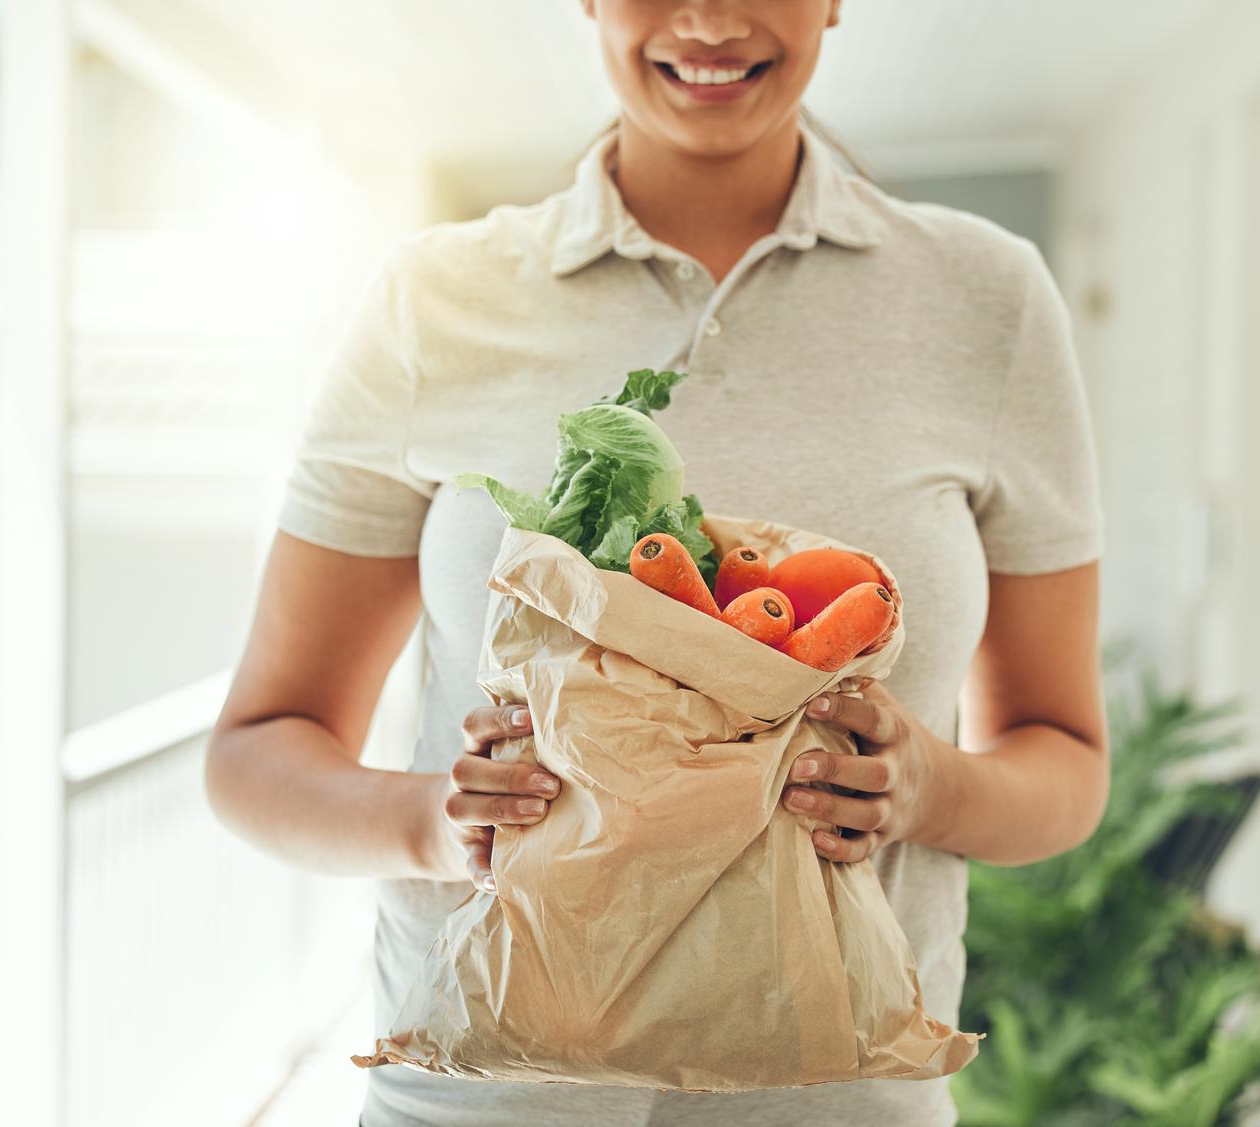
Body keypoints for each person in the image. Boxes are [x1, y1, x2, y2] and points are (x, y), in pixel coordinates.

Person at [204, 1, 1109, 1124]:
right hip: (483, 1104)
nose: (710, 18)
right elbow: (258, 749)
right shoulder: (432, 301)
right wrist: (435, 821)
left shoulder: (987, 298)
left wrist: (931, 786)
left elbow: (1066, 762)